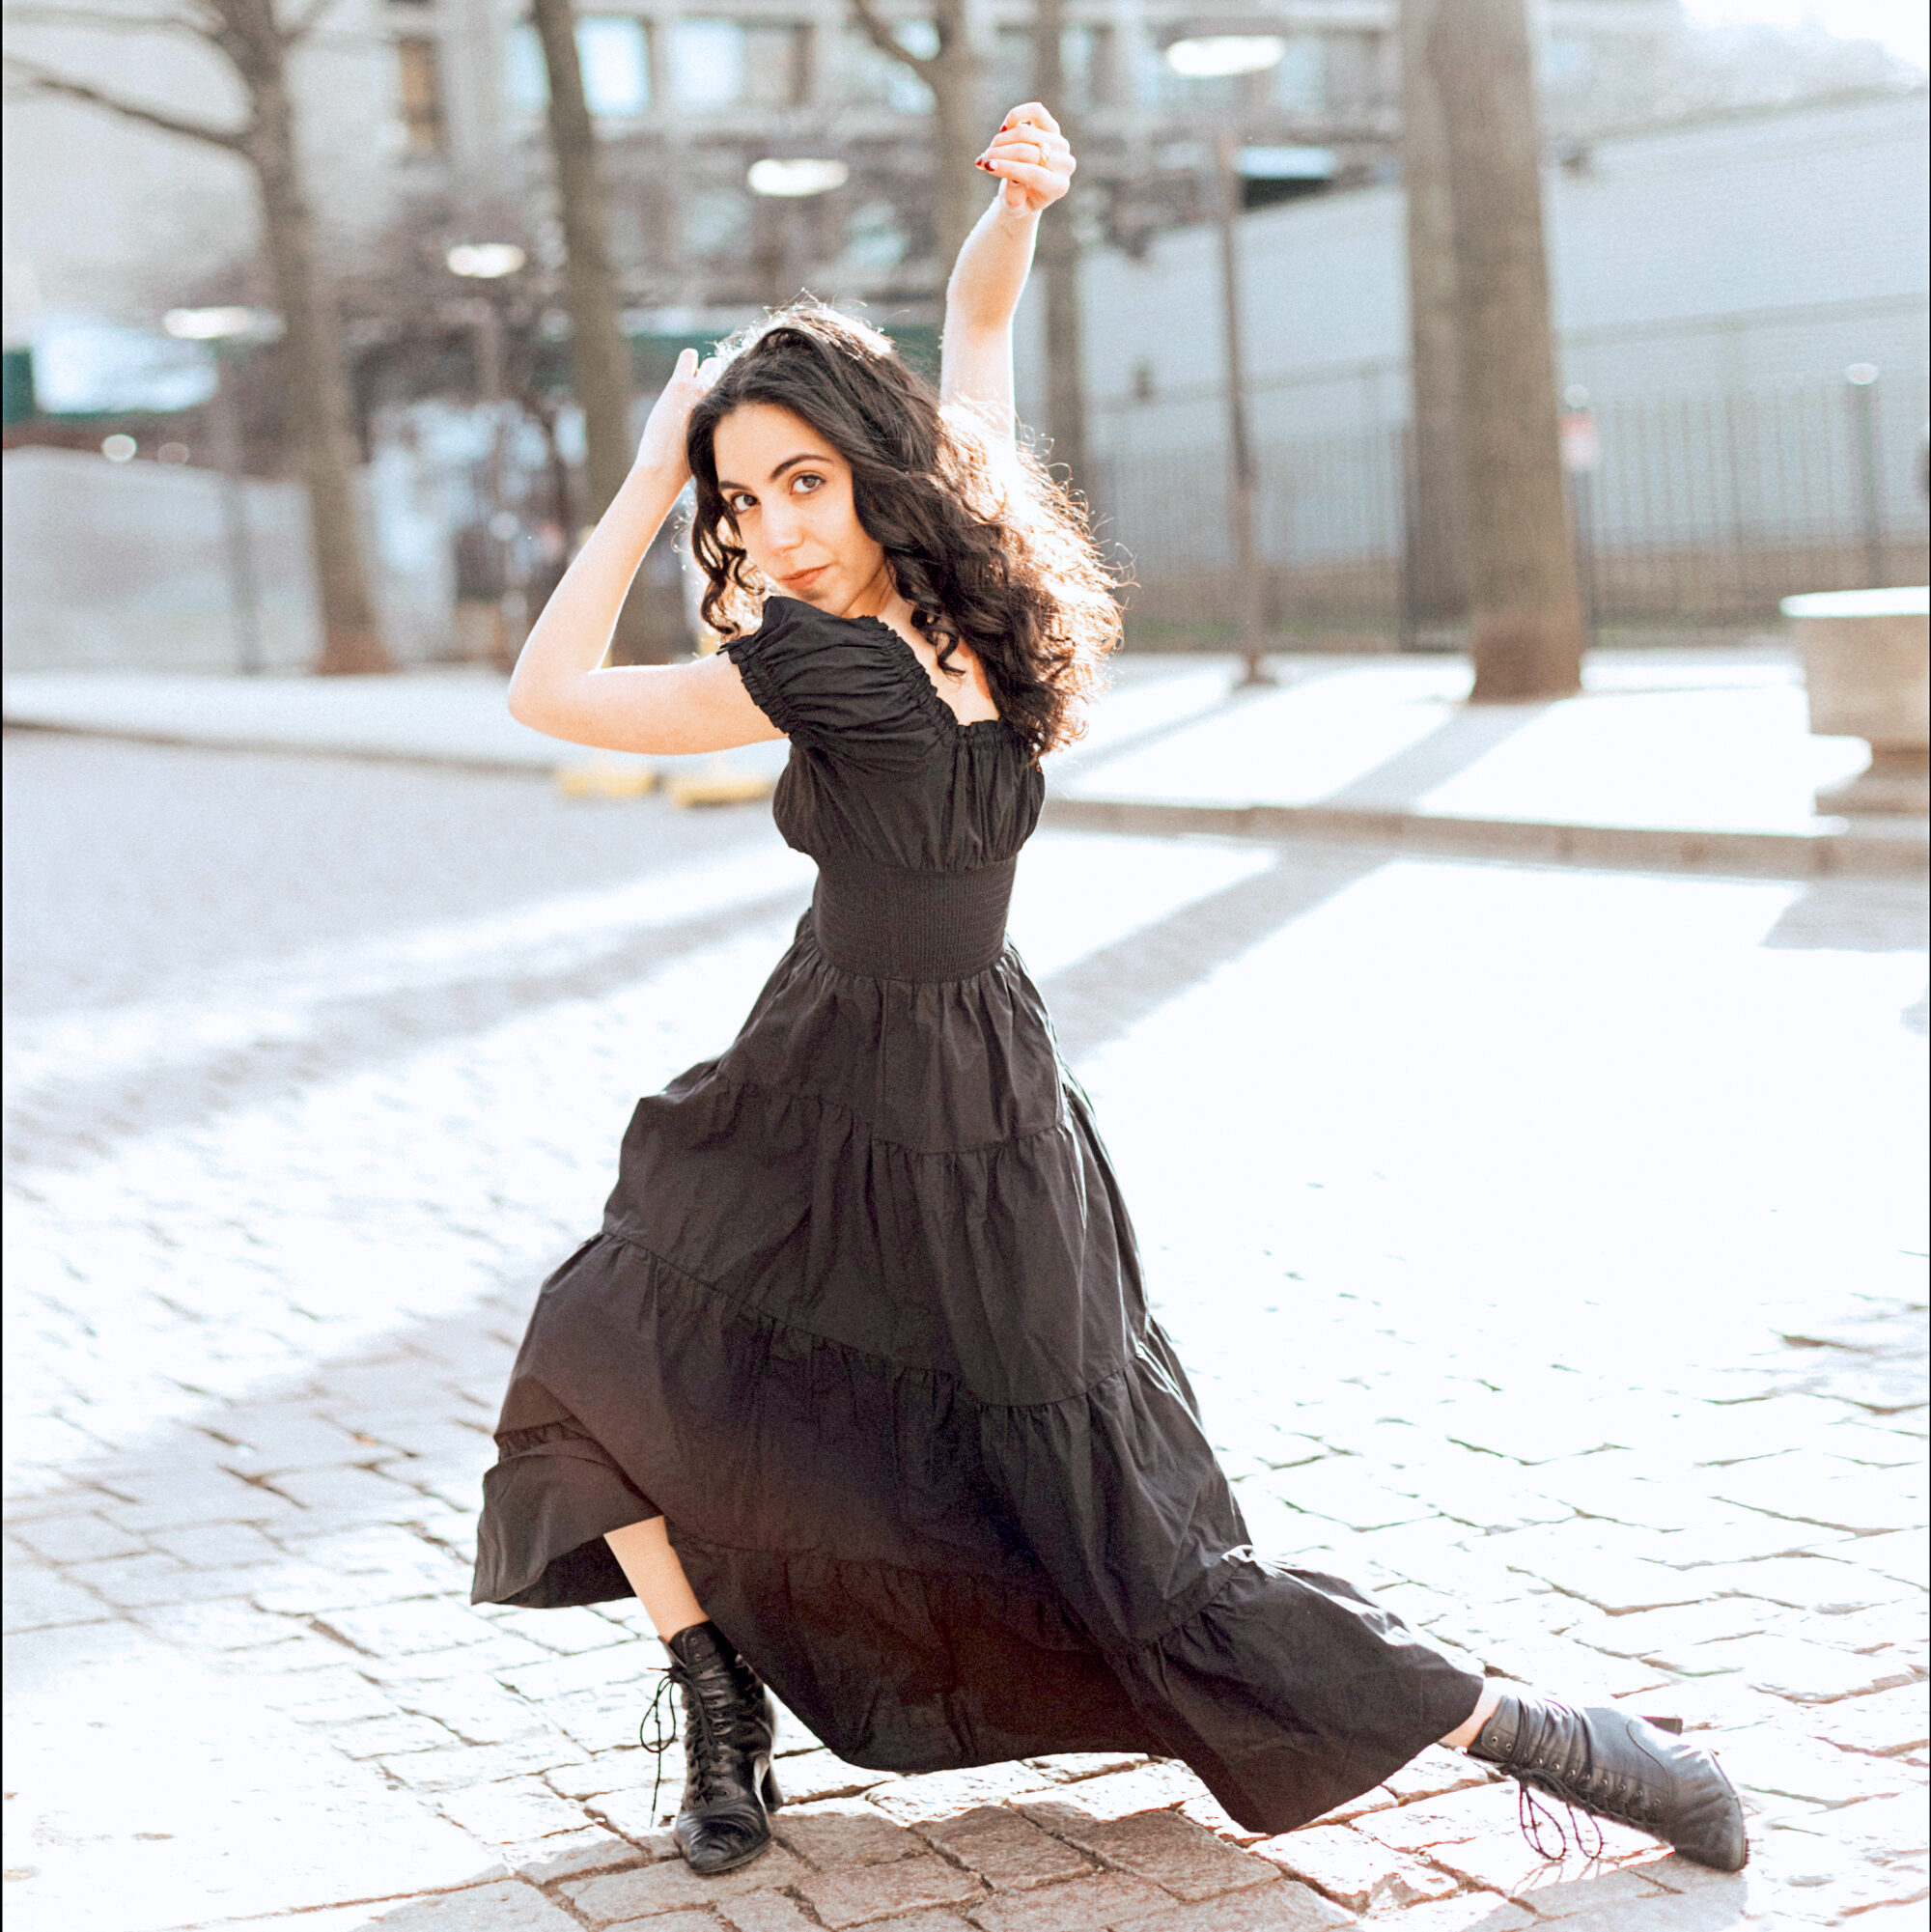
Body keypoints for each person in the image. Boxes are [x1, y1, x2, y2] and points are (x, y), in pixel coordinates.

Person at [471, 102, 1749, 1881]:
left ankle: (1549, 1734)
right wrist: (1020, 215)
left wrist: (633, 493)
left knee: (1133, 1550)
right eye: (736, 500)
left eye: (799, 486)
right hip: (843, 1077)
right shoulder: (970, 595)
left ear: (875, 470)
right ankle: (717, 1695)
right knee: (602, 1343)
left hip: (960, 1110)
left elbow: (548, 689)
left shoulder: (824, 661)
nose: (764, 532)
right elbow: (979, 337)